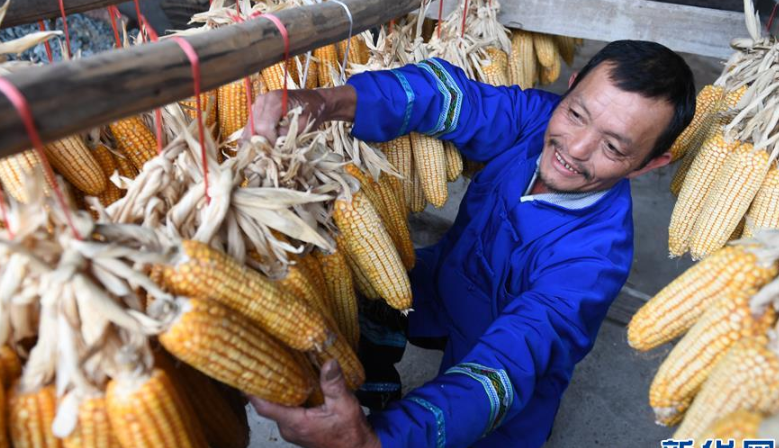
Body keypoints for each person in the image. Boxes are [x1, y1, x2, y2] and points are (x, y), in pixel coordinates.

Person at [246, 40, 696, 448]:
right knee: (352, 287)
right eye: (577, 114)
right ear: (571, 86)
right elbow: (451, 98)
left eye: (613, 147)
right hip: (446, 284)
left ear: (649, 164)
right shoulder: (536, 119)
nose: (576, 148)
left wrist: (377, 440)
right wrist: (328, 102)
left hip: (502, 357)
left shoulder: (592, 261)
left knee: (478, 419)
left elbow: (506, 367)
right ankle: (375, 382)